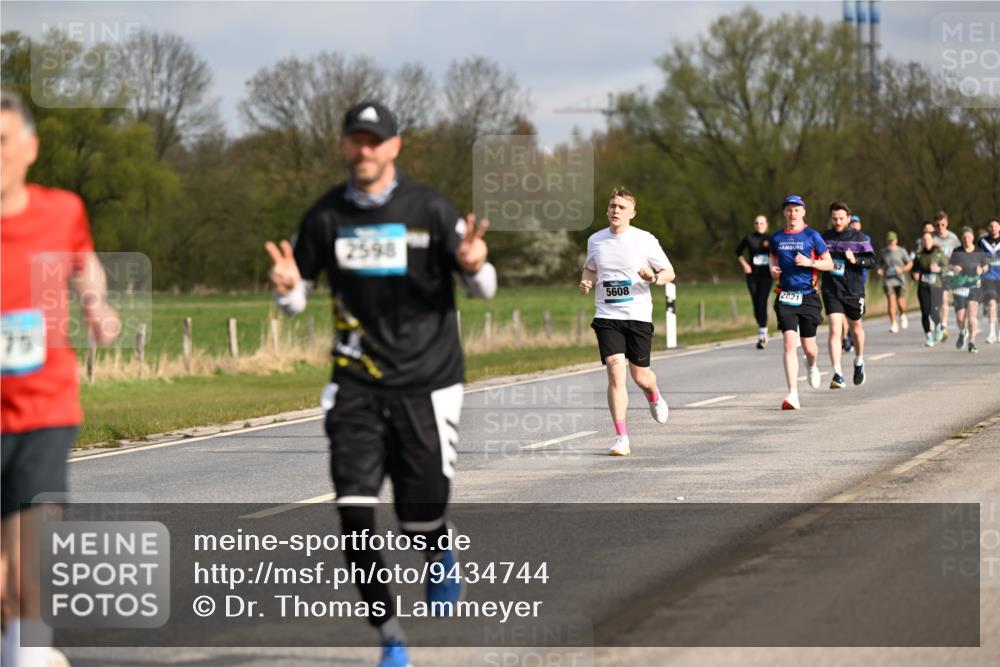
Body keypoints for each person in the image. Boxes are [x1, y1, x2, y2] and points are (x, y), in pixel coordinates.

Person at [264, 101, 496, 667]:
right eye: (355, 140)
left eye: (375, 140)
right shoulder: (325, 217)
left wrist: (472, 263)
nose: (364, 150)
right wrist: (287, 286)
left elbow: (483, 288)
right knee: (355, 512)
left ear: (395, 146)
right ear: (345, 146)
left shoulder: (431, 209)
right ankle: (390, 636)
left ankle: (437, 551)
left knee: (420, 517)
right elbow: (296, 299)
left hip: (428, 382)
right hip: (355, 387)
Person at [1, 91, 120, 667]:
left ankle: (28, 654)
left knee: (27, 557)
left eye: (2, 141)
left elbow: (82, 259)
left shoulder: (62, 209)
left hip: (45, 405)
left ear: (30, 148)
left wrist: (96, 305)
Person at [580, 187, 673, 456]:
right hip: (607, 316)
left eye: (621, 207)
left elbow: (669, 272)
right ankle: (621, 437)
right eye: (612, 206)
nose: (615, 211)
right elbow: (590, 267)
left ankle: (653, 394)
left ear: (632, 213)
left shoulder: (645, 240)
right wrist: (586, 280)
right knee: (614, 369)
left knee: (640, 376)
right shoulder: (596, 240)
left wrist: (652, 278)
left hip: (638, 316)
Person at [769, 195, 833, 410]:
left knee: (809, 347)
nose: (792, 213)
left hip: (808, 296)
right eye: (789, 210)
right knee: (789, 344)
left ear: (803, 212)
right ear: (784, 213)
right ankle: (792, 394)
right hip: (785, 295)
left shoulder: (812, 236)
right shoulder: (776, 237)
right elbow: (773, 258)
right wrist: (772, 270)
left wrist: (810, 262)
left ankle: (812, 364)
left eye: (796, 210)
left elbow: (829, 263)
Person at [821, 202, 876, 388]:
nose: (837, 222)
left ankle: (859, 361)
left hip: (854, 290)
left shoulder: (859, 238)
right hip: (831, 289)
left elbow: (872, 261)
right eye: (834, 218)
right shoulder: (824, 238)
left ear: (848, 219)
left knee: (856, 329)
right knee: (835, 330)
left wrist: (856, 260)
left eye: (841, 218)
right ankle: (837, 373)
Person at [735, 215, 773, 349]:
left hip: (766, 276)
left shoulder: (771, 238)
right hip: (752, 275)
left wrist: (774, 266)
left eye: (762, 223)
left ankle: (762, 335)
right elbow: (738, 252)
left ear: (767, 225)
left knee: (762, 302)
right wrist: (745, 265)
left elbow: (777, 254)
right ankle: (762, 325)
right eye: (757, 223)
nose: (759, 225)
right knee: (756, 304)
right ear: (754, 225)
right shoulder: (749, 238)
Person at [950, 226, 989, 353]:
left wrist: (982, 270)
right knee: (960, 318)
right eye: (964, 237)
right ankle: (963, 332)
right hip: (960, 287)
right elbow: (950, 265)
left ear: (972, 237)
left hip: (974, 287)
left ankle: (972, 342)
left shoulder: (979, 251)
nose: (966, 240)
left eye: (969, 237)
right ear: (962, 239)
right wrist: (954, 268)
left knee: (972, 316)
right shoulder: (957, 251)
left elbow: (986, 266)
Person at [912, 229, 947, 347]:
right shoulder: (919, 255)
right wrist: (914, 275)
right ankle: (928, 337)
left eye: (928, 239)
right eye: (924, 240)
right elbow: (914, 270)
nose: (926, 242)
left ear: (932, 240)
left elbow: (948, 267)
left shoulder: (939, 253)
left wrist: (939, 269)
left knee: (934, 312)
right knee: (925, 312)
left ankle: (938, 326)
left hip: (936, 286)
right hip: (923, 286)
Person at [932, 211, 961, 342]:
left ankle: (943, 325)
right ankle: (938, 323)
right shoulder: (931, 238)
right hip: (934, 274)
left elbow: (960, 252)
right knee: (934, 303)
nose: (940, 227)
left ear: (947, 223)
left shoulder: (953, 238)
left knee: (944, 299)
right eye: (937, 225)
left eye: (942, 224)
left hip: (947, 273)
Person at [877, 231, 912, 333]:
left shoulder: (902, 251)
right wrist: (880, 271)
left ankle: (902, 314)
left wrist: (902, 269)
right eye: (889, 240)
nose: (890, 242)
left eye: (892, 240)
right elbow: (879, 265)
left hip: (899, 280)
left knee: (900, 302)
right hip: (888, 280)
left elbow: (910, 263)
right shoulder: (883, 252)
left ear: (896, 241)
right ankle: (893, 324)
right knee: (890, 302)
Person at [978, 217, 1000, 344]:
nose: (993, 228)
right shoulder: (982, 242)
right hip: (988, 277)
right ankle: (991, 332)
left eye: (996, 226)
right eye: (991, 226)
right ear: (988, 228)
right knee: (991, 304)